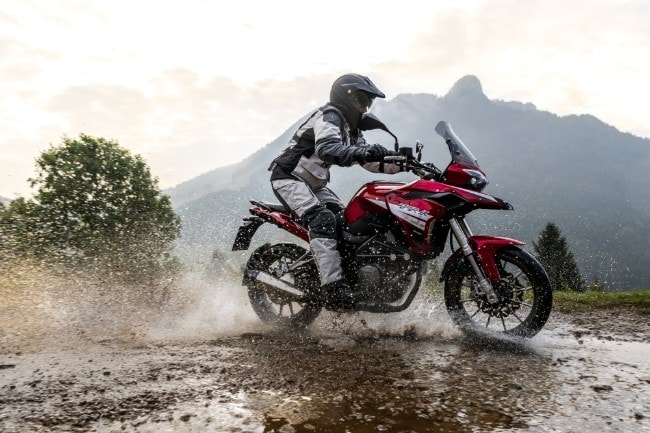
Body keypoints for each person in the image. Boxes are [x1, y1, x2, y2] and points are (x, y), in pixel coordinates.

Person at [268, 73, 403, 308]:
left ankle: (351, 279)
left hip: (314, 185)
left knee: (347, 221)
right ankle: (333, 288)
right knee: (322, 219)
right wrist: (363, 152)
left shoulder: (352, 129)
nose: (365, 107)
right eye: (362, 101)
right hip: (288, 177)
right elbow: (328, 148)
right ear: (346, 98)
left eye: (368, 103)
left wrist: (402, 163)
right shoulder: (329, 116)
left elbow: (368, 161)